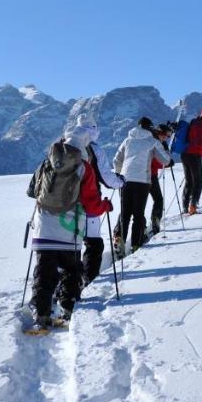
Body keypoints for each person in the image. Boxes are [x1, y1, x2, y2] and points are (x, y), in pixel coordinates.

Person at [29, 119, 122, 328]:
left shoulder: (47, 162)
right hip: (69, 229)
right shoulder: (84, 168)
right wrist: (105, 206)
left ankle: (41, 315)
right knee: (71, 269)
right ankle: (67, 309)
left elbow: (32, 190)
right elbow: (91, 206)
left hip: (43, 225)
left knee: (44, 271)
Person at [76, 118, 124, 290]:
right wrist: (120, 182)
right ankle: (88, 282)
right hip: (89, 204)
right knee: (93, 244)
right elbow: (106, 177)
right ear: (93, 130)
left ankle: (64, 285)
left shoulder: (62, 145)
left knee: (71, 245)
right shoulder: (93, 148)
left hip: (62, 207)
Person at [114, 117, 172, 252]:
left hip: (125, 180)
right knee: (138, 214)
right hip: (142, 181)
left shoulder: (127, 140)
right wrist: (167, 153)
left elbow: (116, 160)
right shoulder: (152, 141)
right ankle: (135, 244)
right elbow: (165, 160)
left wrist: (119, 174)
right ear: (150, 128)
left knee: (125, 214)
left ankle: (120, 242)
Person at [148, 123, 173, 236]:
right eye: (165, 135)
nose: (166, 138)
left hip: (139, 176)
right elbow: (154, 162)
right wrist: (166, 164)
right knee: (158, 199)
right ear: (159, 133)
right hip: (149, 176)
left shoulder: (151, 140)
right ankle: (155, 221)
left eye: (168, 136)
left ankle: (154, 221)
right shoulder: (155, 143)